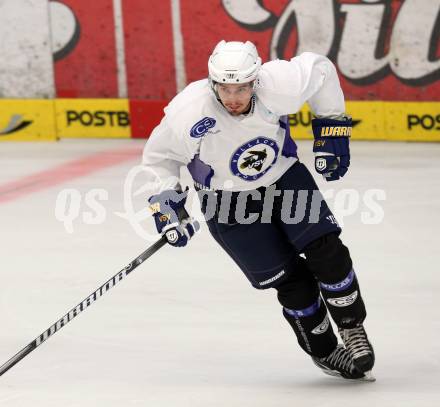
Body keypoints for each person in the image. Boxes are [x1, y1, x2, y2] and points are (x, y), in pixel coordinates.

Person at [143, 40, 375, 381]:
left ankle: (352, 327)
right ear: (212, 83)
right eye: (225, 88)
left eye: (242, 87)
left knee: (327, 252)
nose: (233, 97)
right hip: (227, 203)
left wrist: (332, 128)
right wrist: (167, 207)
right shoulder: (189, 112)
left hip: (283, 178)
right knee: (292, 283)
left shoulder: (278, 83)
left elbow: (321, 69)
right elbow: (159, 158)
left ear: (256, 81)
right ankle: (325, 350)